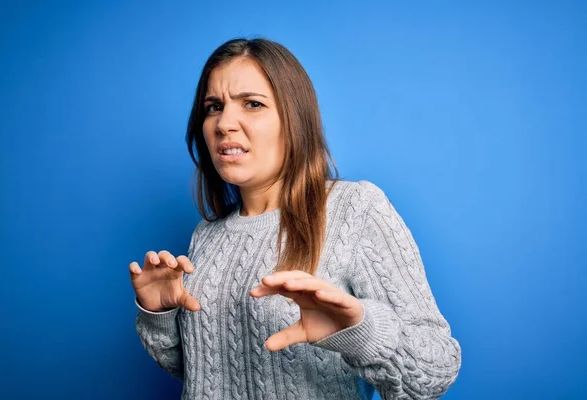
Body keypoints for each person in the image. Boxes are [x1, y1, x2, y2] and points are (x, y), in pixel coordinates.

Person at [129, 37, 462, 400]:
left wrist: (360, 331)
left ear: (294, 119)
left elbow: (434, 374)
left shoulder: (355, 208)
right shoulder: (206, 236)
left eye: (252, 104)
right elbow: (203, 371)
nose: (225, 122)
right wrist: (157, 314)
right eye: (213, 106)